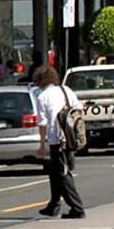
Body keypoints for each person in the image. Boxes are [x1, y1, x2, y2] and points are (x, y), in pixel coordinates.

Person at [32, 66, 85, 219]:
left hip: (56, 140)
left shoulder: (43, 97)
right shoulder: (65, 90)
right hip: (69, 137)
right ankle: (53, 206)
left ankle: (77, 207)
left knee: (63, 174)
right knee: (55, 172)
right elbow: (78, 109)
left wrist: (42, 145)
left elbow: (43, 123)